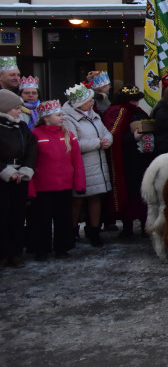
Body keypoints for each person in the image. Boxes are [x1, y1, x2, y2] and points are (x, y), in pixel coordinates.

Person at [28, 100, 85, 260]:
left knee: (63, 219)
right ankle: (41, 249)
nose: (62, 117)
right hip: (42, 187)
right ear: (46, 118)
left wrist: (80, 183)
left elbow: (77, 161)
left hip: (64, 186)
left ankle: (62, 247)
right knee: (42, 220)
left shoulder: (68, 135)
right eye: (58, 115)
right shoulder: (35, 135)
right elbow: (30, 162)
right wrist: (30, 188)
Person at [61, 83, 112, 248]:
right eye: (89, 100)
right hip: (81, 165)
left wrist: (107, 141)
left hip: (97, 163)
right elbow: (73, 143)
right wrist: (98, 142)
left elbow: (106, 133)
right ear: (79, 103)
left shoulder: (94, 115)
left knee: (95, 197)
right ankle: (71, 232)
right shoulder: (67, 119)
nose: (92, 103)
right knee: (77, 200)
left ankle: (94, 231)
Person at [101, 86, 152, 237]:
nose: (135, 103)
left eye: (137, 100)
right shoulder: (116, 112)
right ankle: (128, 227)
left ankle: (144, 225)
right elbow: (113, 137)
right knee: (128, 192)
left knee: (141, 192)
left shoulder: (139, 112)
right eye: (132, 99)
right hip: (124, 160)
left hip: (141, 159)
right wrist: (132, 138)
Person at [1, 88, 37, 267]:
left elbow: (31, 148)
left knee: (17, 215)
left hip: (20, 177)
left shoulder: (22, 126)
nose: (19, 111)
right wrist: (6, 171)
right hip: (3, 177)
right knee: (2, 216)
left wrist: (26, 169)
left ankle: (15, 252)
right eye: (16, 108)